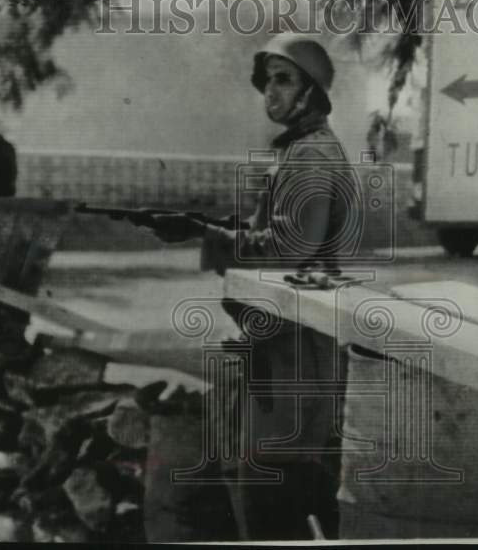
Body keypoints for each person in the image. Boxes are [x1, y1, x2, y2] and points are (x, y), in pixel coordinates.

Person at [151, 34, 358, 540]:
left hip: (294, 355)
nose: (271, 92)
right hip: (293, 347)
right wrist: (218, 225)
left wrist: (207, 235)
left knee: (267, 501)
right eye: (268, 81)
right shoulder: (303, 151)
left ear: (312, 91)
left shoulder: (309, 156)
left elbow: (286, 251)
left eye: (284, 80)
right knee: (295, 496)